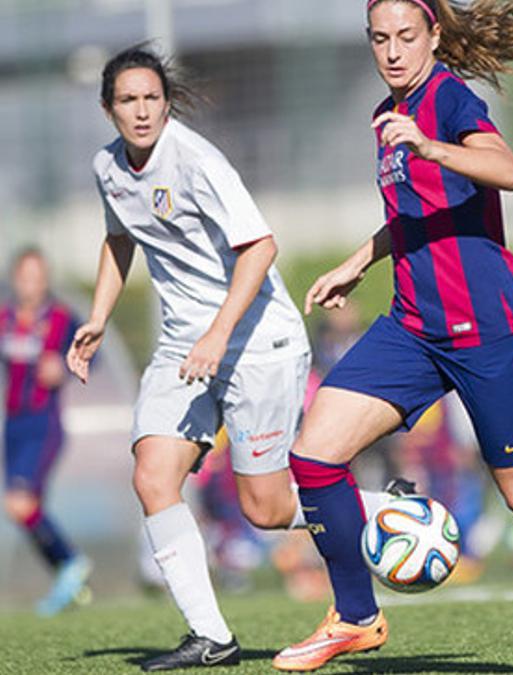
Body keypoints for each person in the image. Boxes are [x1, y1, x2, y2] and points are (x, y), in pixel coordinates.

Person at [274, 1, 513, 672]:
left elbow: (509, 170)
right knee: (314, 453)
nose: (393, 51)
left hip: (488, 327)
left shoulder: (449, 100)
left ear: (434, 35)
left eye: (406, 36)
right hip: (413, 325)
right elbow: (411, 213)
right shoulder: (385, 117)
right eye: (380, 39)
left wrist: (430, 144)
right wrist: (356, 261)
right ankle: (355, 615)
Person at [69, 46, 389, 671]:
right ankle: (211, 637)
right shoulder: (108, 167)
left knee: (264, 509)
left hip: (255, 342)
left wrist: (218, 333)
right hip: (184, 346)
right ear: (109, 110)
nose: (141, 111)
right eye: (128, 101)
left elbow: (261, 247)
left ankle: (387, 511)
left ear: (166, 102)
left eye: (151, 98)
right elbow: (117, 238)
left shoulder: (195, 160)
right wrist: (98, 319)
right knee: (152, 478)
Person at [1, 248, 92, 616]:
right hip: (13, 424)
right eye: (25, 276)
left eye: (38, 276)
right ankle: (70, 579)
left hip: (44, 423)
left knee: (19, 504)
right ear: (15, 279)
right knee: (23, 509)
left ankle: (71, 563)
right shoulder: (5, 318)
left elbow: (90, 355)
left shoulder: (62, 318)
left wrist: (66, 369)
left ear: (46, 279)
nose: (31, 284)